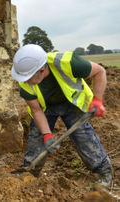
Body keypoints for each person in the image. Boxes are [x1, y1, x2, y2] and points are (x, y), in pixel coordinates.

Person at [11, 44, 112, 187]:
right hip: (45, 108)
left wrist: (97, 99)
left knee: (83, 136)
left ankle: (103, 171)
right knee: (37, 136)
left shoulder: (69, 63)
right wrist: (47, 135)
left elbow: (99, 71)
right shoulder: (24, 82)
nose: (24, 81)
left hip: (72, 104)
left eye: (27, 78)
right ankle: (30, 171)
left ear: (41, 71)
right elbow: (36, 110)